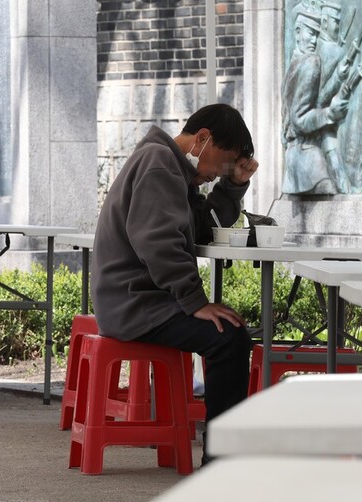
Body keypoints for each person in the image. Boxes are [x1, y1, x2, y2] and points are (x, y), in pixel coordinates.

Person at [91, 103, 258, 466]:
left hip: (141, 298)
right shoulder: (159, 164)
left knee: (229, 332)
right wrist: (195, 301)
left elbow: (201, 227)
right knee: (229, 339)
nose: (215, 174)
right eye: (221, 163)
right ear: (202, 139)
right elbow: (159, 242)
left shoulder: (170, 167)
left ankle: (224, 454)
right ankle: (222, 460)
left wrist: (234, 186)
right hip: (135, 303)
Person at [282, 11, 350, 194]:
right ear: (297, 32)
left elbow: (316, 100)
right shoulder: (311, 62)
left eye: (317, 35)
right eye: (310, 33)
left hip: (296, 158)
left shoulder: (296, 62)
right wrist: (330, 114)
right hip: (309, 160)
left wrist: (337, 77)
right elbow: (299, 119)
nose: (314, 40)